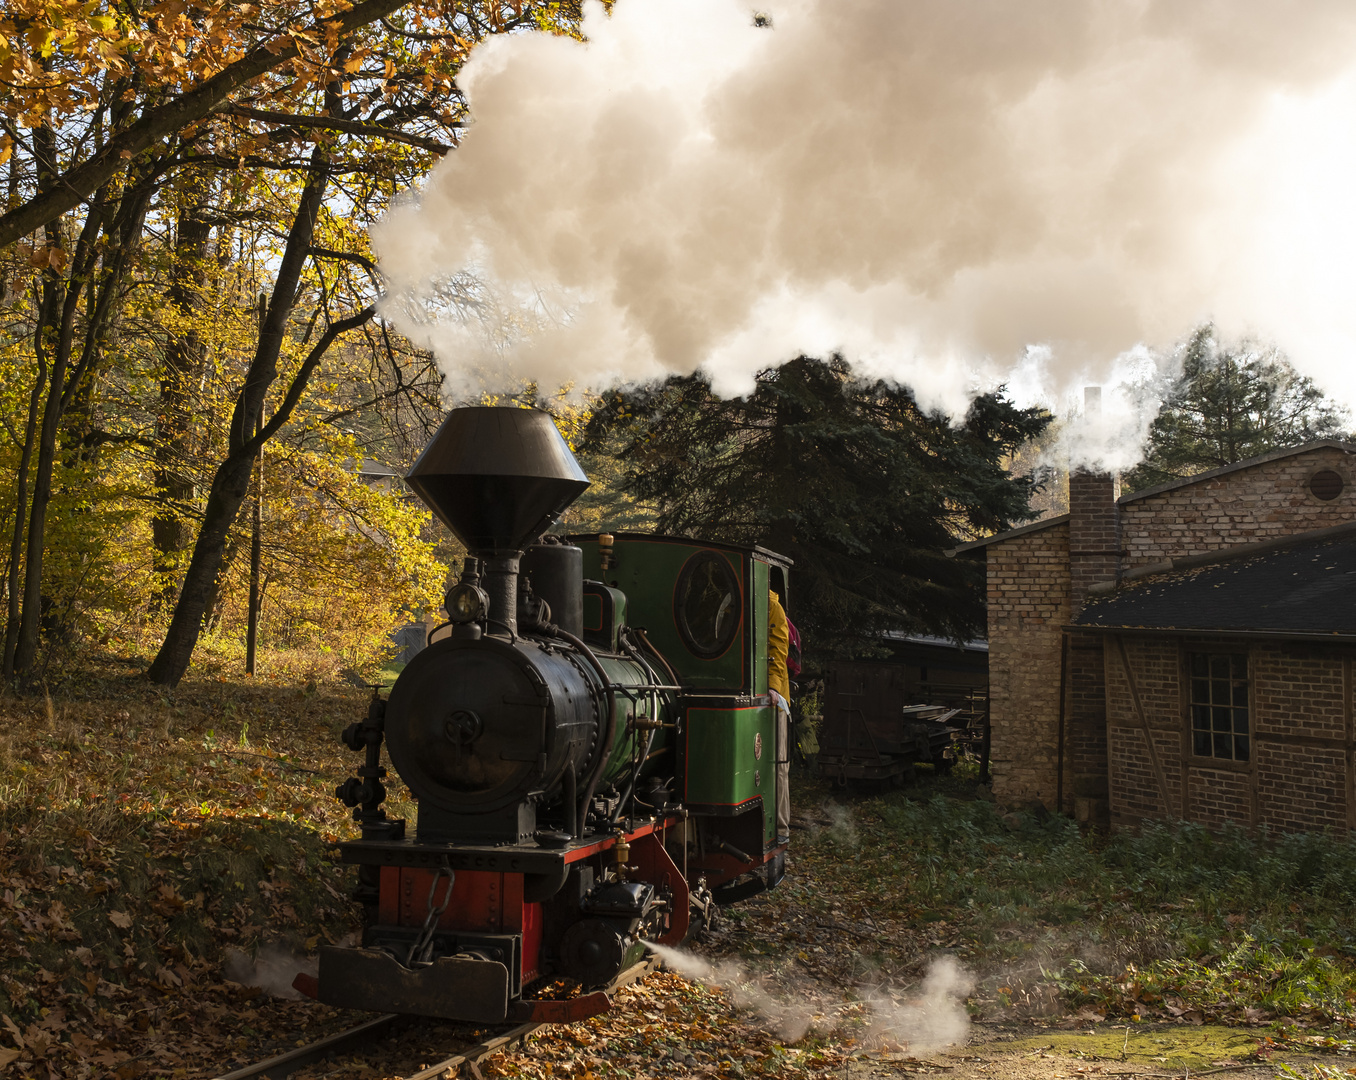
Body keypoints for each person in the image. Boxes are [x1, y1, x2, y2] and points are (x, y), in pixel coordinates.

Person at [767, 588, 792, 845]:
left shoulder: (773, 606)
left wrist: (773, 685)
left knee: (779, 766)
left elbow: (779, 645)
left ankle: (781, 827)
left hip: (775, 699)